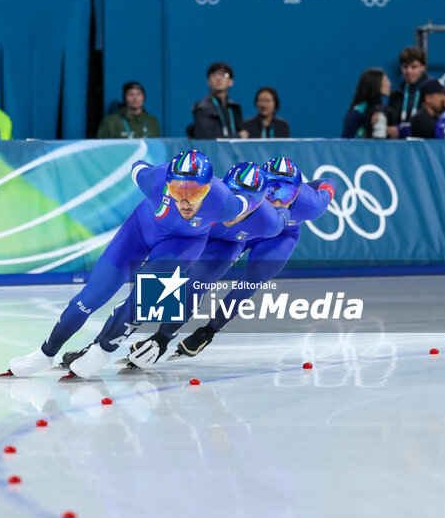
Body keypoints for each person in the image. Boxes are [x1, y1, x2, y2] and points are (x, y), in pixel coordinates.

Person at [2, 150, 247, 378]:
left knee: (144, 299)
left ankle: (103, 350)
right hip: (139, 231)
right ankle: (45, 353)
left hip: (182, 244)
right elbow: (137, 165)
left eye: (193, 193)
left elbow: (255, 207)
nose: (184, 202)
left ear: (207, 189)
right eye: (176, 191)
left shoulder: (226, 202)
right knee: (90, 297)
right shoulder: (155, 178)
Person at [67, 161, 290, 375]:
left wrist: (164, 338)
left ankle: (162, 338)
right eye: (237, 200)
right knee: (150, 291)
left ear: (260, 204)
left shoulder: (269, 222)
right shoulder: (211, 196)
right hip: (191, 238)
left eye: (249, 206)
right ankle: (98, 345)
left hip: (227, 246)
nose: (238, 214)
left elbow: (286, 217)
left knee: (194, 286)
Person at [127, 157, 334, 366]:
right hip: (235, 235)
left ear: (298, 192)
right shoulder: (230, 201)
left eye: (287, 193)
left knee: (255, 277)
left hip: (279, 235)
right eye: (271, 192)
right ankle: (151, 332)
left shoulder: (312, 205)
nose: (278, 201)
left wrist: (310, 187)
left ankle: (208, 331)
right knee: (193, 277)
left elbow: (329, 182)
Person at [189, 62, 243, 139]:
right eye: (214, 75)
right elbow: (207, 139)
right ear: (208, 82)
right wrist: (238, 136)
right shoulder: (201, 108)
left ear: (231, 82)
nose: (218, 78)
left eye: (224, 75)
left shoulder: (234, 108)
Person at [342, 67, 397, 139]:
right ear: (377, 84)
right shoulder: (359, 112)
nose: (389, 84)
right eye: (386, 81)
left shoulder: (383, 111)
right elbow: (346, 141)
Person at [388, 47, 431, 137]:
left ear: (422, 67)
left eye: (414, 67)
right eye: (405, 67)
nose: (409, 71)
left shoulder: (432, 93)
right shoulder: (396, 94)